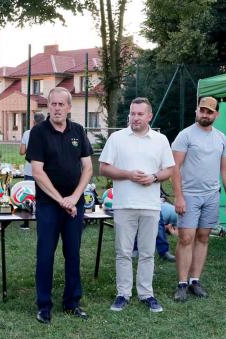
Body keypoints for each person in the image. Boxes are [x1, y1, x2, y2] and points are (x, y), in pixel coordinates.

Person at [99, 97, 176, 313]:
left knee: (147, 252)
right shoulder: (117, 138)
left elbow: (169, 169)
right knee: (123, 252)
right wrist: (128, 175)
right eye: (132, 114)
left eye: (140, 114)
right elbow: (103, 168)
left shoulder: (160, 140)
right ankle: (123, 293)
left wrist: (153, 177)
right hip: (124, 204)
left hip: (151, 205)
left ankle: (146, 294)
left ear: (149, 116)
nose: (135, 118)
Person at [26, 87, 93, 324]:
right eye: (52, 104)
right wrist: (60, 200)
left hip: (75, 204)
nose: (56, 109)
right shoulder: (39, 132)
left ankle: (72, 302)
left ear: (69, 107)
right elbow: (37, 172)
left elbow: (88, 168)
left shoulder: (78, 131)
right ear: (48, 107)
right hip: (48, 204)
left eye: (61, 104)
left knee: (73, 253)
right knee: (45, 254)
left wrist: (74, 198)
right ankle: (44, 305)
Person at [170, 96, 226, 302]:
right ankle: (182, 283)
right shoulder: (185, 135)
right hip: (189, 195)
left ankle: (194, 281)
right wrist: (179, 196)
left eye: (209, 111)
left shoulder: (221, 138)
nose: (205, 114)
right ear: (197, 110)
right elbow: (174, 168)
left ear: (216, 114)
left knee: (204, 237)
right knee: (185, 238)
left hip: (212, 195)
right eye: (202, 110)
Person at [19, 112, 45, 229]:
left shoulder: (27, 133)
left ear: (33, 122)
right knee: (43, 195)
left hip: (30, 168)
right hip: (44, 170)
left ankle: (26, 222)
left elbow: (21, 152)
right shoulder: (48, 133)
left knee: (28, 195)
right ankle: (42, 220)